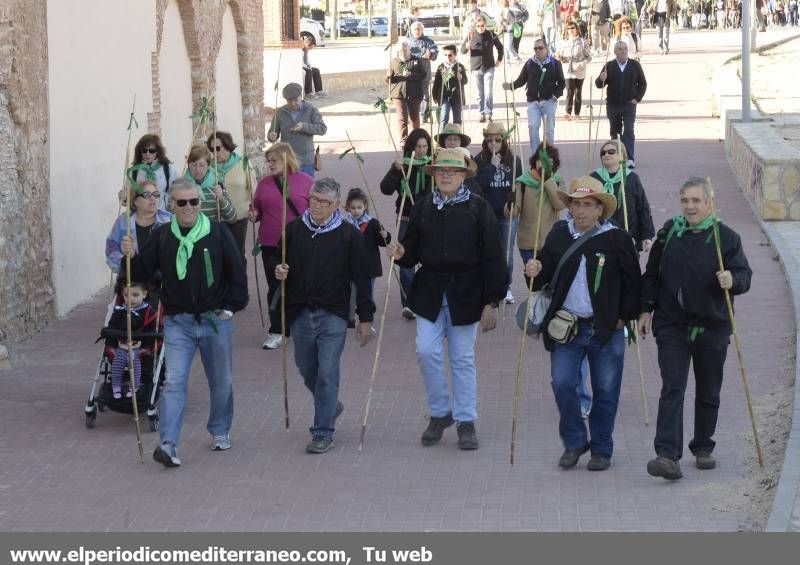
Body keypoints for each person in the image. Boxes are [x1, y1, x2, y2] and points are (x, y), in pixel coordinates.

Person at [122, 178, 248, 467]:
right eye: (182, 202)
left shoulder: (216, 232)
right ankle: (168, 444)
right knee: (175, 382)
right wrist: (130, 256)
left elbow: (237, 270)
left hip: (215, 319)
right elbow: (141, 273)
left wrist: (231, 307)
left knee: (221, 382)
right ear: (172, 205)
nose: (189, 207)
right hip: (178, 321)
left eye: (194, 201)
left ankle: (219, 429)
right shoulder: (164, 235)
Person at [387, 148, 507, 450]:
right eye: (440, 170)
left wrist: (492, 301)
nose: (445, 175)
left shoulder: (479, 210)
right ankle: (441, 412)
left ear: (464, 175)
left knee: (462, 358)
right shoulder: (423, 207)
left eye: (452, 171)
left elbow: (494, 257)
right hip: (429, 290)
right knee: (425, 350)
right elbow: (412, 251)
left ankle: (466, 421)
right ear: (434, 175)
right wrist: (401, 254)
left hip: (467, 292)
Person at [524, 176, 640, 471]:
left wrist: (623, 318)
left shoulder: (617, 239)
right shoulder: (558, 235)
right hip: (567, 326)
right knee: (562, 383)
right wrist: (533, 270)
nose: (581, 211)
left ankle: (602, 448)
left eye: (588, 205)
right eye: (576, 204)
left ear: (600, 209)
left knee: (606, 389)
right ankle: (575, 441)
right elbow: (544, 277)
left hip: (606, 329)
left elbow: (633, 284)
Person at [640, 178, 752, 480]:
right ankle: (667, 455)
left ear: (709, 203)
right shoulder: (669, 234)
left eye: (696, 201)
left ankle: (703, 445)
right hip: (672, 325)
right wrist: (645, 309)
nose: (689, 206)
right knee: (672, 386)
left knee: (708, 390)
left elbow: (744, 274)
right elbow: (651, 274)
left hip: (712, 326)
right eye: (685, 201)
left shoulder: (726, 238)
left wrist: (733, 279)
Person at [273, 178, 375, 454]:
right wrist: (278, 270)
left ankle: (322, 431)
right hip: (300, 312)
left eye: (324, 202)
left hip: (334, 314)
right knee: (307, 369)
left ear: (336, 205)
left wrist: (365, 318)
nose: (317, 206)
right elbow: (278, 261)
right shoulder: (294, 230)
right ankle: (331, 405)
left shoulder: (348, 235)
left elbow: (362, 278)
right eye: (313, 200)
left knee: (328, 371)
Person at [250, 143, 313, 350]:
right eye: (268, 161)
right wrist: (254, 215)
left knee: (301, 284)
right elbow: (256, 208)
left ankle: (302, 324)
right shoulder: (264, 184)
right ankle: (278, 330)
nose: (269, 165)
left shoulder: (306, 182)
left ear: (286, 158)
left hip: (299, 242)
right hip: (270, 243)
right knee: (275, 287)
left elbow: (317, 210)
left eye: (273, 161)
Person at [380, 129, 433, 319]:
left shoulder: (431, 166)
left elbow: (429, 193)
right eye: (418, 146)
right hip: (405, 218)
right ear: (411, 147)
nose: (421, 150)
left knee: (427, 257)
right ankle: (409, 301)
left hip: (427, 218)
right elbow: (385, 188)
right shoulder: (402, 165)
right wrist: (395, 170)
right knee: (404, 258)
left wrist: (417, 201)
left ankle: (426, 297)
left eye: (425, 146)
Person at [473, 122, 523, 304]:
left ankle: (506, 286)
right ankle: (488, 286)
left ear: (504, 141)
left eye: (497, 140)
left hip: (507, 215)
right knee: (486, 251)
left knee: (506, 253)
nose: (493, 144)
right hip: (487, 214)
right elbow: (477, 186)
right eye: (489, 140)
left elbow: (519, 186)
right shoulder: (479, 160)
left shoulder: (515, 160)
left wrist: (515, 203)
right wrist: (492, 167)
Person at [503, 37, 565, 153]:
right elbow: (521, 80)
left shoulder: (554, 63)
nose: (537, 50)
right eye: (535, 48)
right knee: (532, 127)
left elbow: (561, 82)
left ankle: (548, 155)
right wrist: (510, 86)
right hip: (533, 102)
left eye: (540, 48)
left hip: (549, 102)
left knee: (549, 130)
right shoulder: (530, 63)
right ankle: (536, 155)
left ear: (546, 49)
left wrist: (556, 96)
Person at [590, 139, 654, 251]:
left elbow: (643, 207)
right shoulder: (595, 177)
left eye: (611, 151)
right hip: (600, 235)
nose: (606, 154)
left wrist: (646, 236)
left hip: (628, 234)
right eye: (603, 152)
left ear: (622, 155)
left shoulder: (631, 178)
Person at [513, 143, 566, 271]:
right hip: (528, 244)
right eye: (541, 161)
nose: (544, 165)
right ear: (535, 161)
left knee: (549, 280)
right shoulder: (523, 182)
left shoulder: (558, 180)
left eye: (549, 162)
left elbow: (559, 204)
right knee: (533, 282)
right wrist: (510, 204)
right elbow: (514, 213)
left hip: (550, 243)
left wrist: (547, 180)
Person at [594, 41, 646, 168]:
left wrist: (637, 98)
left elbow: (643, 83)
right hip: (613, 105)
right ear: (615, 52)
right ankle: (616, 158)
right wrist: (601, 78)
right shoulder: (609, 65)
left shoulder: (635, 65)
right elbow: (598, 85)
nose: (623, 51)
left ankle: (629, 158)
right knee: (615, 132)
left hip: (629, 105)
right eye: (620, 49)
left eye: (625, 49)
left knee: (628, 130)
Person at [104, 279, 158, 399]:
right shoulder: (120, 311)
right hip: (122, 345)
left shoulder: (149, 312)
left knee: (133, 359)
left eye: (135, 295)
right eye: (126, 295)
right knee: (118, 360)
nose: (131, 299)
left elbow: (151, 333)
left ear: (144, 294)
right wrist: (110, 345)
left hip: (139, 347)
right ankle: (116, 386)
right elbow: (112, 328)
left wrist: (146, 348)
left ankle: (135, 386)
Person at [106, 180, 172, 273]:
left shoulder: (169, 220)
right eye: (147, 195)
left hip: (161, 281)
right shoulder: (124, 221)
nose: (153, 198)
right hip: (131, 281)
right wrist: (127, 264)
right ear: (135, 201)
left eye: (156, 194)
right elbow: (111, 248)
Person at [206, 131, 256, 256]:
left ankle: (239, 276)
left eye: (217, 148)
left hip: (238, 218)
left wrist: (255, 209)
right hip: (215, 218)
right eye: (211, 149)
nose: (215, 152)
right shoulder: (208, 167)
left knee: (236, 253)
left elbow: (254, 190)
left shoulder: (243, 164)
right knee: (218, 254)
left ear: (227, 146)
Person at [267, 82, 327, 177]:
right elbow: (272, 134)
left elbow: (322, 129)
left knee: (306, 190)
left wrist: (304, 126)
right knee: (287, 190)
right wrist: (271, 136)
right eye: (289, 100)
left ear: (301, 96)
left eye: (295, 100)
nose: (293, 103)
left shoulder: (311, 109)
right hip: (287, 161)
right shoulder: (280, 112)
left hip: (306, 162)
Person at [343, 188, 391, 300]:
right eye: (353, 208)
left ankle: (369, 313)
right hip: (351, 266)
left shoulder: (373, 223)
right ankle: (351, 314)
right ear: (348, 207)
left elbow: (383, 242)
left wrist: (386, 235)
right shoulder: (345, 224)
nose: (356, 211)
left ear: (365, 206)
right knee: (352, 293)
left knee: (368, 293)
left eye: (359, 207)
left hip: (369, 266)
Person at [461, 15, 504, 123]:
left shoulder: (491, 34)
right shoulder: (471, 35)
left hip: (489, 67)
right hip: (476, 68)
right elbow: (462, 51)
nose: (481, 27)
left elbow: (500, 47)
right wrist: (466, 46)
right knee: (480, 94)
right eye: (478, 26)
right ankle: (481, 113)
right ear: (475, 26)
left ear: (485, 25)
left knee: (488, 91)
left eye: (483, 25)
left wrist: (499, 59)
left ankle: (488, 113)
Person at [387, 38, 426, 144]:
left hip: (414, 93)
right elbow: (389, 80)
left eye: (405, 50)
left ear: (409, 49)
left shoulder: (416, 60)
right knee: (402, 118)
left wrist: (411, 75)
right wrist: (388, 76)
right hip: (398, 94)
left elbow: (423, 75)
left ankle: (416, 139)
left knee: (414, 117)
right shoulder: (394, 61)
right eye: (400, 51)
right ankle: (403, 140)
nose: (403, 52)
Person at [184, 145, 237, 224]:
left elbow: (232, 218)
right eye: (194, 165)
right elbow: (171, 215)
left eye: (201, 165)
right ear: (188, 165)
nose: (197, 169)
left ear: (208, 166)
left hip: (211, 234)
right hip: (187, 235)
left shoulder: (217, 185)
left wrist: (221, 199)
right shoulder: (181, 187)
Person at [127, 134, 178, 211]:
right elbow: (129, 198)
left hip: (162, 216)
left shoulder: (168, 169)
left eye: (152, 151)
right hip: (140, 216)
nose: (148, 154)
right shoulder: (133, 171)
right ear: (140, 152)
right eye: (144, 150)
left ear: (158, 151)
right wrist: (124, 198)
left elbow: (175, 193)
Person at [555, 21, 592, 121]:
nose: (571, 30)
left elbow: (589, 57)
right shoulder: (563, 42)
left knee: (578, 91)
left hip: (579, 70)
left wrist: (582, 63)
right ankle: (568, 112)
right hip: (568, 70)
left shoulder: (583, 42)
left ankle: (577, 113)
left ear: (577, 29)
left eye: (573, 28)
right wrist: (558, 56)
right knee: (569, 90)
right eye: (569, 28)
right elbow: (559, 56)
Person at [432, 45, 468, 132]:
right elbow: (436, 82)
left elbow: (465, 81)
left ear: (455, 55)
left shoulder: (460, 67)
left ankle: (458, 137)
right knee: (444, 117)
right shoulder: (441, 67)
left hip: (457, 96)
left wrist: (461, 78)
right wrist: (434, 96)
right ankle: (441, 137)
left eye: (450, 55)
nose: (448, 57)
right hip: (444, 96)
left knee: (457, 118)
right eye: (445, 55)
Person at [408, 22, 439, 124]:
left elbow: (435, 51)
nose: (417, 31)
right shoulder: (407, 42)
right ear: (411, 31)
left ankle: (424, 115)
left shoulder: (428, 42)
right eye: (415, 29)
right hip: (412, 75)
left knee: (425, 96)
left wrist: (430, 54)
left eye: (418, 29)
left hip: (425, 74)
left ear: (422, 30)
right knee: (412, 96)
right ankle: (412, 115)